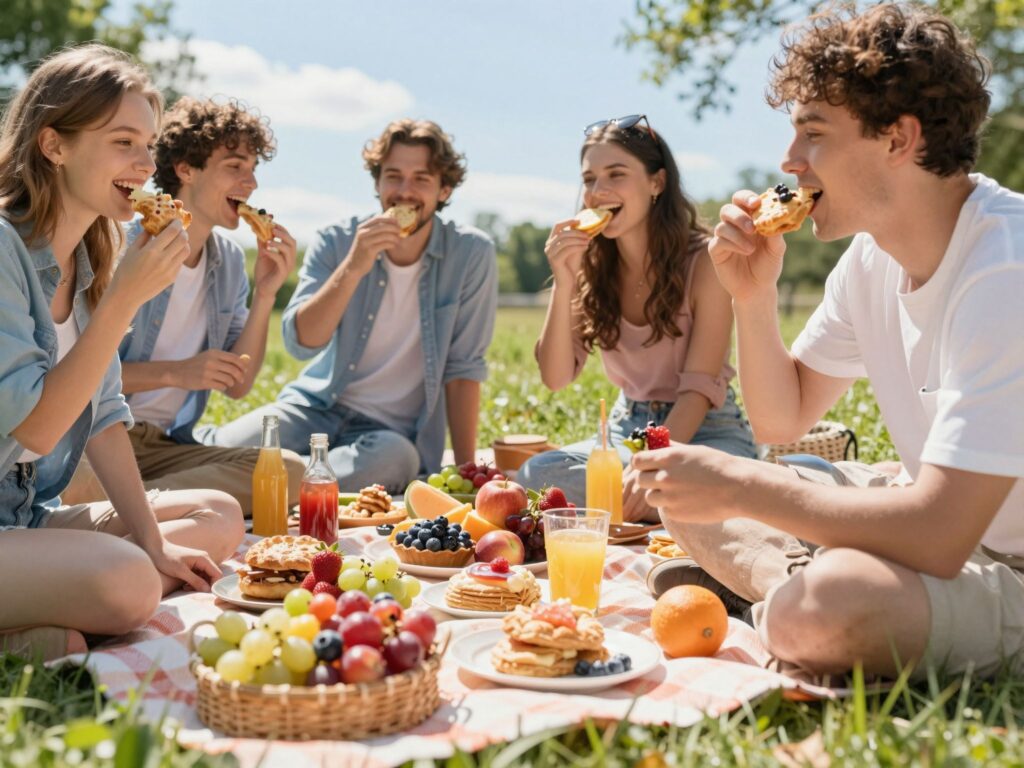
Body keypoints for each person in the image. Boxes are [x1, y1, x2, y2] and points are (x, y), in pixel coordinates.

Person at [636, 3, 1023, 680]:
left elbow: (938, 534)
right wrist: (751, 297)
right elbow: (782, 418)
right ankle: (803, 573)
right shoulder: (872, 259)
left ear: (899, 139)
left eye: (812, 135)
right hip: (935, 517)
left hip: (997, 555)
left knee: (824, 606)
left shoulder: (1006, 269)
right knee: (685, 489)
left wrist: (743, 488)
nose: (789, 162)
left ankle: (793, 591)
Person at [0, 44, 244, 661]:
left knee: (219, 516)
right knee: (129, 581)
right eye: (124, 142)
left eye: (150, 145)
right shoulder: (3, 248)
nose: (146, 164)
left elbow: (103, 415)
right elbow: (37, 422)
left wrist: (154, 541)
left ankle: (42, 618)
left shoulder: (93, 256)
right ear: (54, 146)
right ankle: (47, 616)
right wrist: (123, 305)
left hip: (27, 506)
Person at [205, 119, 498, 493]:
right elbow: (301, 342)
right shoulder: (338, 240)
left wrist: (467, 473)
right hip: (313, 408)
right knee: (216, 453)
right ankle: (274, 482)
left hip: (388, 436)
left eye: (421, 179)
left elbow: (463, 370)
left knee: (398, 462)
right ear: (377, 183)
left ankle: (270, 486)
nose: (404, 192)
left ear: (444, 189)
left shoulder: (471, 253)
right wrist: (355, 265)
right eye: (393, 176)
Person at [62, 97, 305, 515]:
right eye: (235, 166)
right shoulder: (119, 242)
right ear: (186, 169)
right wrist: (176, 374)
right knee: (75, 480)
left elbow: (238, 385)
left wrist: (265, 293)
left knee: (288, 471)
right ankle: (152, 504)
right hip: (91, 441)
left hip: (164, 447)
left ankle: (126, 504)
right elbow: (75, 374)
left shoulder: (228, 263)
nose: (251, 184)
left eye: (252, 169)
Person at [518, 115, 755, 521]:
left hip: (705, 429)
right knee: (535, 475)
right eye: (590, 179)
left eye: (616, 174)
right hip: (629, 427)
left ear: (656, 183)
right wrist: (563, 280)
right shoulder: (590, 267)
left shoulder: (706, 261)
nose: (597, 191)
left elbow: (698, 390)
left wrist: (650, 467)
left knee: (700, 487)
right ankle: (653, 504)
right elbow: (555, 377)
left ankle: (651, 500)